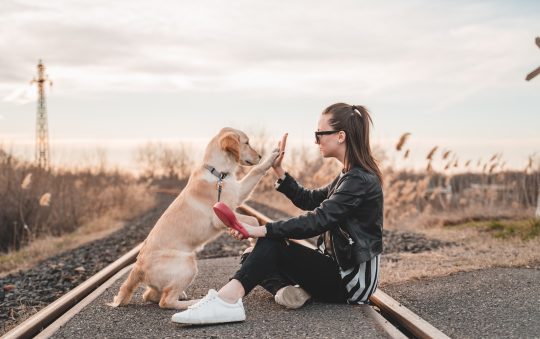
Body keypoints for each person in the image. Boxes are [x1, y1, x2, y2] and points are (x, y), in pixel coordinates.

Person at [171, 103, 384, 325]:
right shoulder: (348, 176)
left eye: (319, 133)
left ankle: (227, 300)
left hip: (350, 282)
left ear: (340, 136)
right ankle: (287, 291)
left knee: (269, 245)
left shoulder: (359, 180)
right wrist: (278, 170)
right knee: (252, 255)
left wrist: (262, 229)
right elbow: (309, 199)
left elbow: (318, 220)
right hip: (335, 269)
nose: (315, 140)